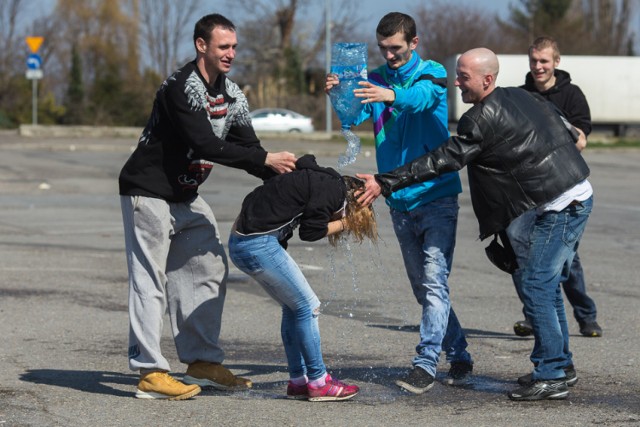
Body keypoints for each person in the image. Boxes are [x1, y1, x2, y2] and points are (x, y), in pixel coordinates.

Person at [357, 48, 593, 401]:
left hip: (563, 202)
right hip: (567, 194)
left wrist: (385, 180)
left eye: (463, 77)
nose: (456, 82)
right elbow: (564, 125)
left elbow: (443, 159)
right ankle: (559, 364)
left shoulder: (479, 119)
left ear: (487, 79)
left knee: (537, 283)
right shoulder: (520, 94)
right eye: (457, 74)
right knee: (542, 281)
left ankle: (554, 373)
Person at [118, 13, 297, 400]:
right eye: (223, 47)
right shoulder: (180, 88)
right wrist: (266, 159)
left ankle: (201, 361)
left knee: (209, 265)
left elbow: (250, 149)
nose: (231, 53)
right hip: (147, 192)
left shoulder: (232, 94)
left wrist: (294, 183)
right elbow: (204, 144)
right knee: (150, 280)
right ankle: (149, 371)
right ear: (202, 46)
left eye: (234, 46)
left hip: (185, 196)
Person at [325, 12, 473, 395]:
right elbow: (354, 115)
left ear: (414, 42)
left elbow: (422, 100)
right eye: (383, 49)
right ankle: (459, 352)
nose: (389, 56)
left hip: (435, 195)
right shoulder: (371, 78)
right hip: (397, 199)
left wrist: (391, 94)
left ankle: (425, 364)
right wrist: (339, 93)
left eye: (396, 48)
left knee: (435, 283)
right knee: (425, 288)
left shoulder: (434, 72)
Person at [228, 154, 377, 402]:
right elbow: (311, 232)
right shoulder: (332, 191)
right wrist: (345, 224)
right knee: (308, 306)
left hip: (242, 242)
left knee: (293, 307)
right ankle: (318, 382)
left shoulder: (324, 178)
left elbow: (306, 159)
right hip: (257, 244)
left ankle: (299, 381)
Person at [510, 36, 602, 339]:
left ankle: (586, 316)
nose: (538, 66)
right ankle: (535, 314)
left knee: (567, 260)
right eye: (534, 61)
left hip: (562, 190)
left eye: (544, 61)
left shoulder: (572, 95)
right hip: (527, 192)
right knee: (520, 250)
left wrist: (556, 123)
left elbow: (581, 141)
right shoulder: (521, 95)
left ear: (556, 62)